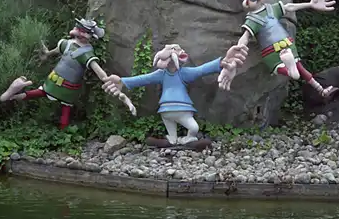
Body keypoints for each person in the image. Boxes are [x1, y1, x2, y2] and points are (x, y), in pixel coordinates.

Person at [102, 43, 247, 147]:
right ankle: (172, 139)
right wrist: (122, 81)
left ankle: (187, 139)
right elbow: (143, 79)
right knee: (177, 129)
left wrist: (220, 64)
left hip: (181, 109)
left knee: (194, 128)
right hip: (166, 110)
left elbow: (201, 70)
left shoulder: (184, 73)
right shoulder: (161, 74)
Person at [0, 18, 134, 128]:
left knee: (64, 107)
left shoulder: (86, 53)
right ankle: (11, 97)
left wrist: (107, 80)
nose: (79, 31)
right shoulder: (66, 43)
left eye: (82, 30)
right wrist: (46, 54)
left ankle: (62, 131)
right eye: (79, 28)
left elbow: (98, 71)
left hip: (68, 87)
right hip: (54, 81)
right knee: (40, 94)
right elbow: (53, 52)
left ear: (89, 35)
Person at [223, 0, 338, 99]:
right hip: (272, 52)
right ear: (245, 3)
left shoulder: (271, 9)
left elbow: (288, 6)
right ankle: (291, 72)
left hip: (287, 45)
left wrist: (310, 4)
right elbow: (245, 37)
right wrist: (237, 52)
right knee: (284, 68)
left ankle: (321, 90)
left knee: (301, 69)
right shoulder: (253, 19)